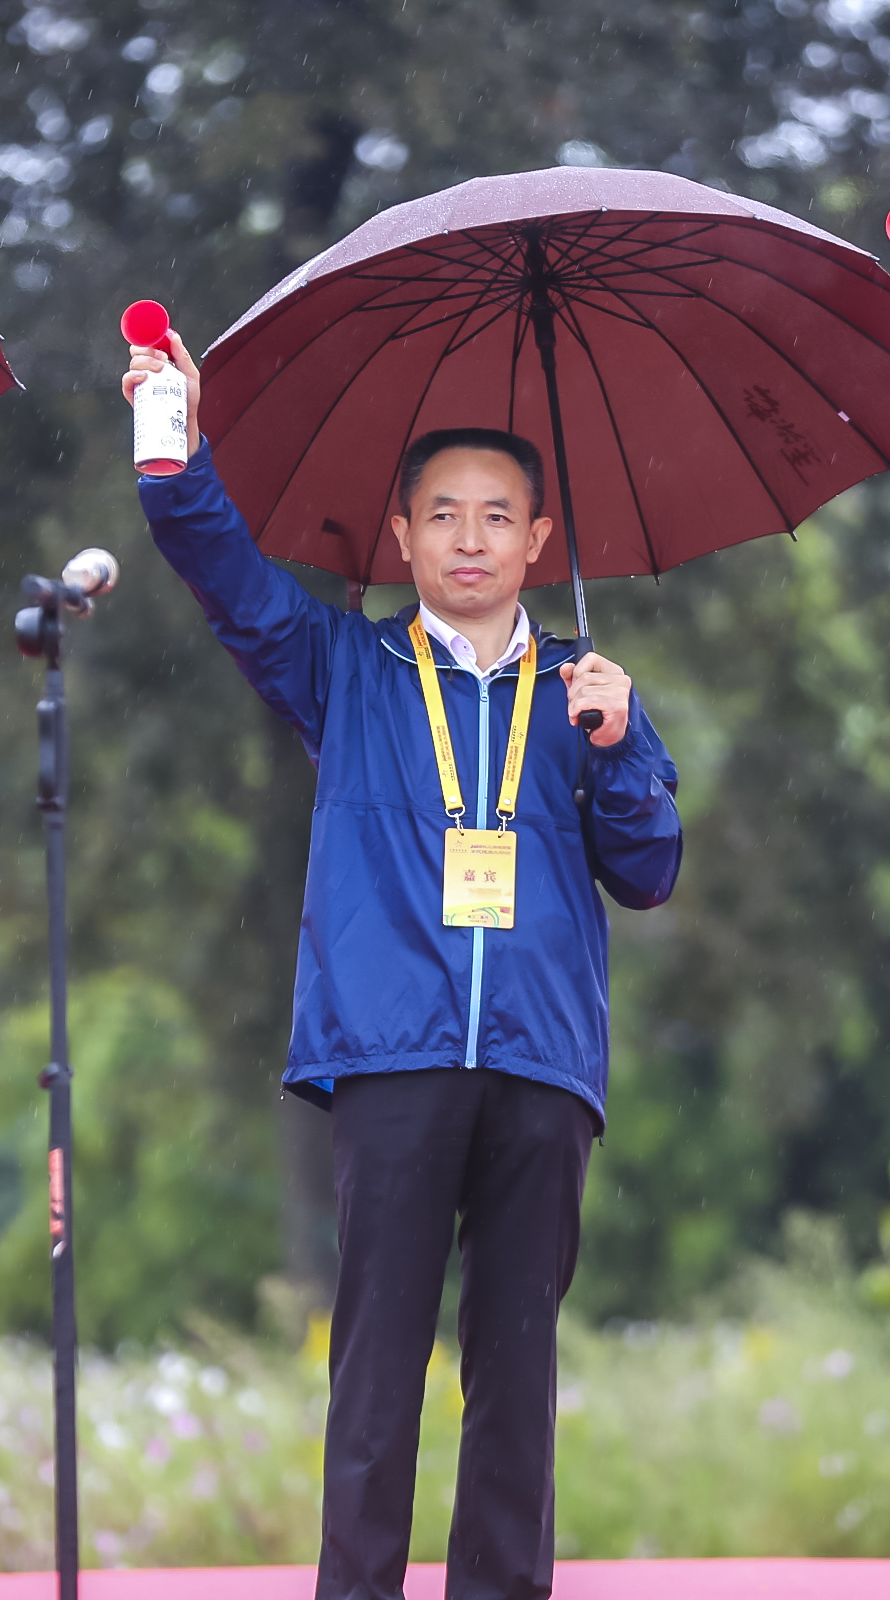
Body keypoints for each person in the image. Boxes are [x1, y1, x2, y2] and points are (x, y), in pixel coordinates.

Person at [123, 331, 682, 1600]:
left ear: (541, 539)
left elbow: (649, 870)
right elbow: (223, 574)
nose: (471, 538)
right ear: (403, 537)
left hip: (542, 1062)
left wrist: (624, 746)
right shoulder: (349, 667)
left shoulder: (586, 690)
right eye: (444, 516)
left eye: (498, 516)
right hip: (392, 1055)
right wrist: (176, 458)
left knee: (516, 1374)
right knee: (374, 1368)